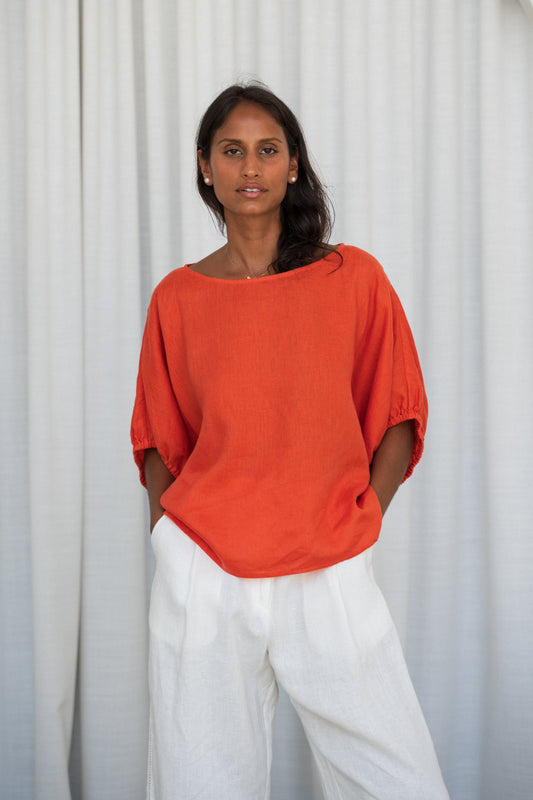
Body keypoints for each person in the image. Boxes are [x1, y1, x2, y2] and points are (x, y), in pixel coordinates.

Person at [131, 82, 450, 800]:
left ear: (294, 165)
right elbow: (158, 439)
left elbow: (397, 409)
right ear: (204, 168)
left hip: (327, 561)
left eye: (268, 150)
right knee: (198, 783)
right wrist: (169, 540)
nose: (251, 167)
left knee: (398, 779)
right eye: (232, 151)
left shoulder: (353, 278)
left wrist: (363, 516)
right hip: (205, 573)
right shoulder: (176, 299)